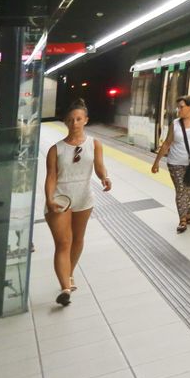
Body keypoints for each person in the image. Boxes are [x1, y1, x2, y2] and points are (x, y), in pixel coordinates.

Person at [43, 100, 110, 306]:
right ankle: (65, 288)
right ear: (65, 122)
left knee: (78, 239)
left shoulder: (94, 144)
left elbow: (99, 167)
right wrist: (49, 199)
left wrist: (104, 178)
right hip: (60, 199)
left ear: (86, 120)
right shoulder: (56, 149)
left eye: (79, 119)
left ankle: (69, 273)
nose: (75, 123)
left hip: (84, 197)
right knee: (63, 243)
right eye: (71, 119)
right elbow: (51, 177)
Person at [152, 94, 190, 233]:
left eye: (181, 107)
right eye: (178, 107)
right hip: (176, 163)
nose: (178, 109)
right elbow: (167, 143)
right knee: (181, 190)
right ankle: (182, 219)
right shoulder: (175, 124)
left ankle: (189, 210)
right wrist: (156, 163)